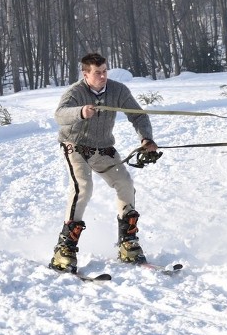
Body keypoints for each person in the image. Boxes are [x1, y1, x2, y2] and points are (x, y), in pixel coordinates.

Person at [49, 53, 159, 272]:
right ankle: (65, 249)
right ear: (85, 74)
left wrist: (146, 138)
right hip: (76, 147)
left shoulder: (118, 90)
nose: (102, 76)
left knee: (125, 184)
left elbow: (138, 115)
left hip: (104, 148)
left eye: (105, 71)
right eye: (97, 73)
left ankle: (128, 242)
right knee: (83, 188)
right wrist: (80, 112)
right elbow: (59, 115)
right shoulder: (75, 92)